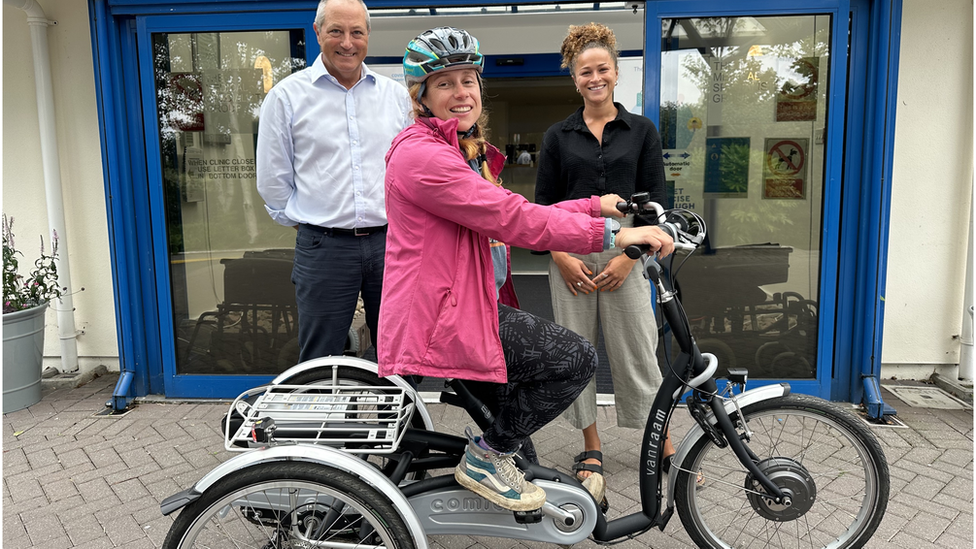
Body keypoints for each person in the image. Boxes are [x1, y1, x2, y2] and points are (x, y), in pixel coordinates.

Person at [379, 26, 674, 512]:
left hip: (463, 307)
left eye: (468, 81)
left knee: (526, 459)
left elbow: (507, 205)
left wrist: (595, 204)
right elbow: (511, 218)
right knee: (574, 358)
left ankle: (507, 470)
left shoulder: (459, 149)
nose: (461, 93)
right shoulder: (422, 155)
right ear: (422, 97)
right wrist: (613, 234)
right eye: (445, 83)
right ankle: (485, 458)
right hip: (442, 319)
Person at [534, 22, 674, 500]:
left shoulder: (641, 131)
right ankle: (590, 446)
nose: (594, 78)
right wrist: (560, 256)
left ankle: (661, 439)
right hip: (569, 255)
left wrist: (630, 258)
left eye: (602, 69)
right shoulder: (557, 136)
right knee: (578, 355)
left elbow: (655, 205)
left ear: (615, 73)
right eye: (583, 72)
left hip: (626, 253)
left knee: (638, 349)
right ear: (574, 79)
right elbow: (543, 209)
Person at [256, 0, 412, 362]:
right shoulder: (286, 97)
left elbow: (410, 172)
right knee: (320, 357)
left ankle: (397, 420)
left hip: (391, 244)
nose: (347, 42)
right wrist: (311, 224)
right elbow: (273, 181)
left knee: (401, 352)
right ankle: (323, 417)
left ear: (368, 35)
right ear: (317, 33)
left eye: (357, 32)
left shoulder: (396, 97)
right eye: (336, 32)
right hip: (323, 247)